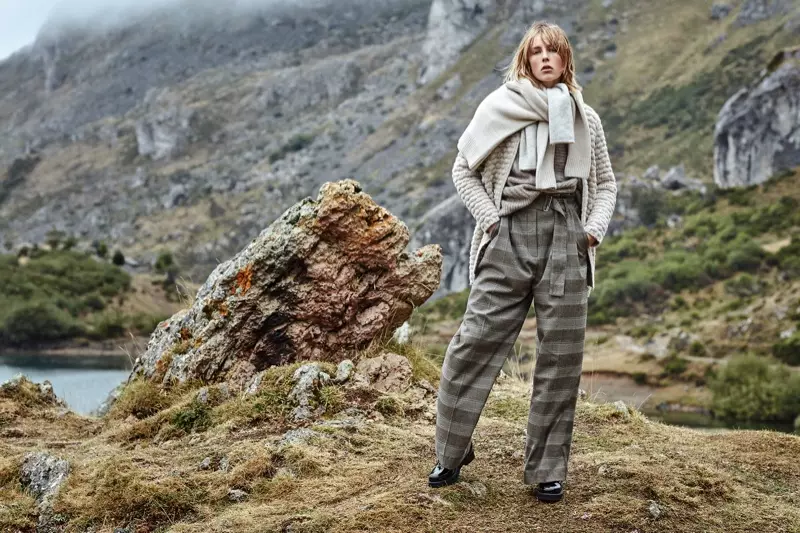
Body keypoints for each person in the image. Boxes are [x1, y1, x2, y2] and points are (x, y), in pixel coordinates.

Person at [428, 20, 617, 503]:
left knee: (560, 356)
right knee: (472, 343)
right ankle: (450, 453)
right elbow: (462, 170)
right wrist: (490, 220)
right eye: (537, 52)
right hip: (508, 233)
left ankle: (546, 471)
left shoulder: (585, 118)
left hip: (565, 237)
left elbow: (606, 183)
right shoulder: (500, 108)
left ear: (565, 58)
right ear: (526, 60)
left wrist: (592, 230)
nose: (546, 58)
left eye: (553, 50)